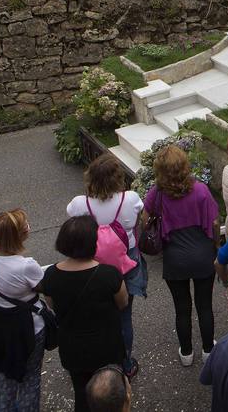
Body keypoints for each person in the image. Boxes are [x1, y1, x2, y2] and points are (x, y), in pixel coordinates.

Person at [65, 152, 146, 376]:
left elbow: (71, 221)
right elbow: (140, 218)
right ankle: (126, 363)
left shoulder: (79, 204)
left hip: (94, 262)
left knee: (99, 314)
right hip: (126, 260)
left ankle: (101, 361)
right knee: (124, 315)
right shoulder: (129, 198)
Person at [39, 216, 128, 412]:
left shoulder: (51, 275)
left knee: (81, 394)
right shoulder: (109, 274)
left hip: (73, 347)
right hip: (107, 345)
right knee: (111, 395)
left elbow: (52, 305)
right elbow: (122, 303)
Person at [145, 144, 219, 366]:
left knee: (182, 307)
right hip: (202, 254)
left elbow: (144, 219)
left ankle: (186, 353)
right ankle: (208, 350)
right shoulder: (201, 190)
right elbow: (215, 222)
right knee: (204, 305)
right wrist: (215, 246)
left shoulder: (157, 193)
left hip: (174, 258)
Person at [0, 209, 46, 412]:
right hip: (26, 330)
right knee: (29, 381)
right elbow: (43, 286)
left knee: (4, 377)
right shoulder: (25, 266)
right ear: (19, 237)